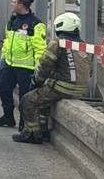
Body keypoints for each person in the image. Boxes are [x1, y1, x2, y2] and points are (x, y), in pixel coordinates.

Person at [13, 12, 93, 144]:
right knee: (43, 103)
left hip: (62, 88)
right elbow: (89, 71)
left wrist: (36, 81)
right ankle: (43, 131)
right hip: (80, 90)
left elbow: (45, 66)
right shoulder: (86, 46)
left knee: (28, 100)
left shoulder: (57, 43)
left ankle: (31, 133)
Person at [0, 0, 46, 129]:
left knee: (24, 97)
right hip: (9, 65)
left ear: (21, 5)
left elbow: (40, 48)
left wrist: (38, 68)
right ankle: (8, 117)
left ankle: (24, 123)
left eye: (14, 2)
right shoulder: (12, 21)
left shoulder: (36, 24)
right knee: (3, 90)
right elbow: (7, 42)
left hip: (26, 68)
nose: (12, 4)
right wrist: (3, 59)